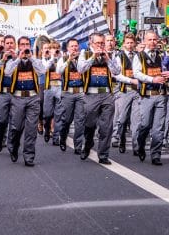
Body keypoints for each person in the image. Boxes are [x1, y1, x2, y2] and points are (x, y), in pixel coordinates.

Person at [4, 36, 53, 166]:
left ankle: (29, 156)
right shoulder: (12, 60)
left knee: (31, 129)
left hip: (33, 98)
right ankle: (13, 147)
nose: (25, 47)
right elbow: (7, 72)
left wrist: (31, 57)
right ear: (18, 46)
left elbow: (42, 71)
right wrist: (18, 58)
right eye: (22, 45)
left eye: (27, 44)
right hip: (17, 98)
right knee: (16, 127)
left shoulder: (34, 60)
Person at [133, 31, 169, 166]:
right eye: (150, 39)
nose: (152, 42)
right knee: (145, 124)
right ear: (145, 41)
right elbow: (137, 73)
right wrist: (153, 79)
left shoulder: (164, 56)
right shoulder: (139, 56)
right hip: (147, 95)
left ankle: (156, 154)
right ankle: (140, 145)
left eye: (155, 39)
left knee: (158, 128)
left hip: (161, 95)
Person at [76, 33, 121, 164]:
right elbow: (80, 69)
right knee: (89, 124)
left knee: (106, 126)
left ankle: (103, 155)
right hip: (91, 94)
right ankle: (88, 142)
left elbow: (117, 72)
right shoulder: (85, 53)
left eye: (102, 43)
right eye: (98, 43)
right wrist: (93, 57)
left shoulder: (111, 54)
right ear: (91, 43)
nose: (101, 45)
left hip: (107, 94)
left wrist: (107, 59)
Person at [53, 38, 86, 153]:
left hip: (81, 92)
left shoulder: (82, 59)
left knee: (80, 120)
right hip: (67, 93)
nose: (74, 48)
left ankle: (78, 146)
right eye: (72, 46)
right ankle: (63, 136)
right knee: (66, 119)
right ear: (67, 48)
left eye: (76, 46)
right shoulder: (63, 59)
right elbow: (58, 71)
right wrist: (68, 60)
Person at [112, 34, 140, 154]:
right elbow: (116, 74)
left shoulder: (138, 56)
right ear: (124, 44)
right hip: (124, 90)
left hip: (137, 91)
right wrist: (130, 80)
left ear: (134, 44)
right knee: (122, 119)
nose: (129, 45)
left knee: (136, 121)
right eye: (127, 43)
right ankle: (122, 138)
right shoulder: (119, 57)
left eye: (131, 43)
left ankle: (136, 146)